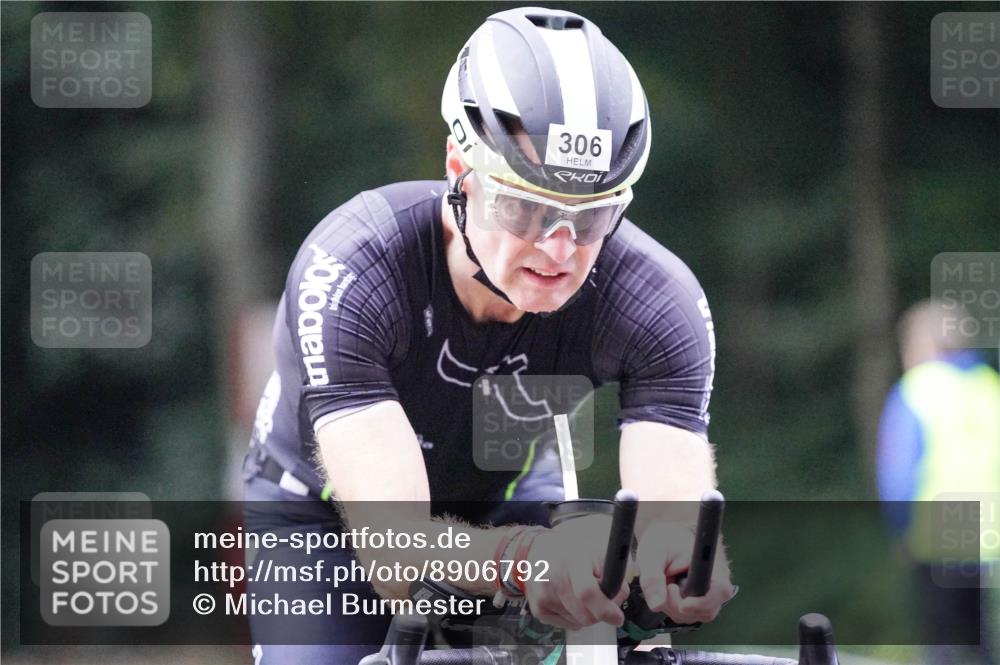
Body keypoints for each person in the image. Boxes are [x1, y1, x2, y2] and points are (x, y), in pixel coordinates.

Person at [243, 7, 735, 663]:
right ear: (459, 169)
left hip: (506, 495)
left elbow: (672, 519)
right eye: (527, 206)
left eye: (592, 217)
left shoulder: (654, 298)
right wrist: (531, 561)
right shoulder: (355, 267)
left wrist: (674, 568)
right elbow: (398, 552)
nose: (558, 247)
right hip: (321, 517)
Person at [876, 299, 1000, 665]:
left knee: (939, 639)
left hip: (932, 533)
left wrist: (901, 530)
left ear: (923, 345)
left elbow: (896, 475)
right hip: (982, 534)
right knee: (981, 640)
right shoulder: (989, 388)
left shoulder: (917, 389)